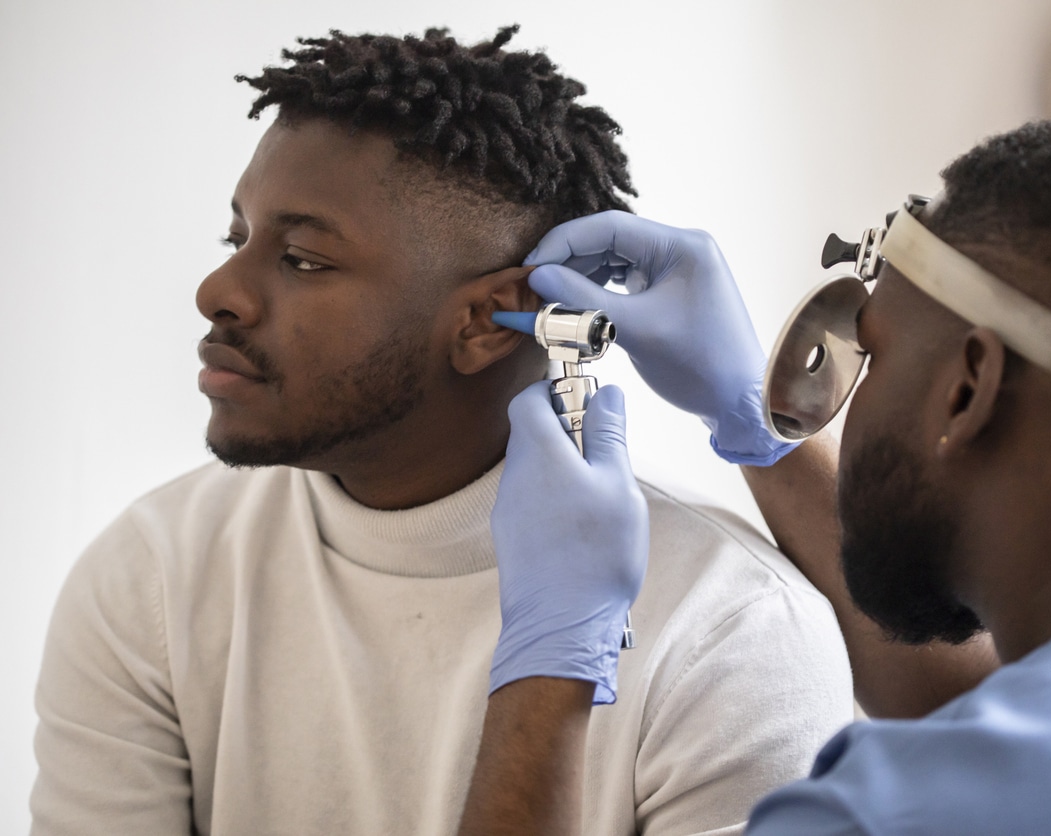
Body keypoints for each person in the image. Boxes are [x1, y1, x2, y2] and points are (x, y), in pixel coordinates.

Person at [30, 26, 867, 835]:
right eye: (236, 237)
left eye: (303, 260)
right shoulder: (155, 572)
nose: (219, 287)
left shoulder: (730, 633)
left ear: (483, 323)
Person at [466, 114, 1051, 834]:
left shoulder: (890, 816)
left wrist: (550, 658)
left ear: (968, 386)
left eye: (870, 348)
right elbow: (1005, 719)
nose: (851, 404)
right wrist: (756, 432)